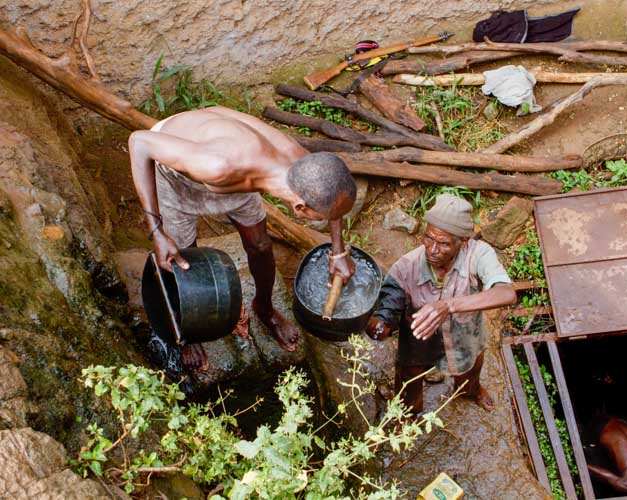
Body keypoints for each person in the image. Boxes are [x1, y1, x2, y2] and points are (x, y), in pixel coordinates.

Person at [129, 106, 357, 369]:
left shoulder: (302, 164)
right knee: (187, 259)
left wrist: (338, 252)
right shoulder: (219, 165)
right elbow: (139, 142)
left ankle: (264, 308)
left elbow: (334, 200)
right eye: (320, 217)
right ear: (300, 208)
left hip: (233, 172)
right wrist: (157, 232)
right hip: (176, 171)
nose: (326, 219)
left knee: (260, 245)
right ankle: (190, 330)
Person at [366, 194, 516, 413]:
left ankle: (470, 391)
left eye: (443, 243)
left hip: (464, 335)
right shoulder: (406, 267)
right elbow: (389, 304)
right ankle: (409, 414)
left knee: (469, 368)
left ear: (463, 242)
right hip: (419, 341)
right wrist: (381, 323)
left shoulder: (478, 254)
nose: (432, 250)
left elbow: (506, 293)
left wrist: (449, 306)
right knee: (409, 382)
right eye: (428, 238)